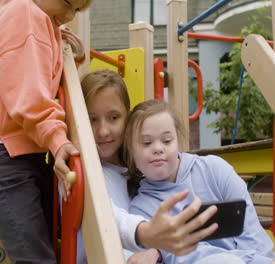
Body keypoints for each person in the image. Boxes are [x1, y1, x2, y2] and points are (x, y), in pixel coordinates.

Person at [0, 0, 91, 263]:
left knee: (50, 252)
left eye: (78, 10)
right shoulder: (24, 12)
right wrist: (57, 139)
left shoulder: (42, 21)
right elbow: (28, 97)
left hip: (27, 158)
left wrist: (75, 58)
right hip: (6, 161)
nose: (70, 15)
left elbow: (41, 81)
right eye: (68, 3)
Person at [77, 70, 219, 263]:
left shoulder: (140, 167)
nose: (103, 131)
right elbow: (107, 216)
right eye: (92, 119)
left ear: (127, 118)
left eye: (113, 117)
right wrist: (145, 235)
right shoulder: (82, 170)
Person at [123, 99, 275, 264]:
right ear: (130, 147)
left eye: (167, 140)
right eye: (147, 143)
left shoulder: (215, 170)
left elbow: (251, 233)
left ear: (177, 138)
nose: (158, 148)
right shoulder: (140, 210)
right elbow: (185, 256)